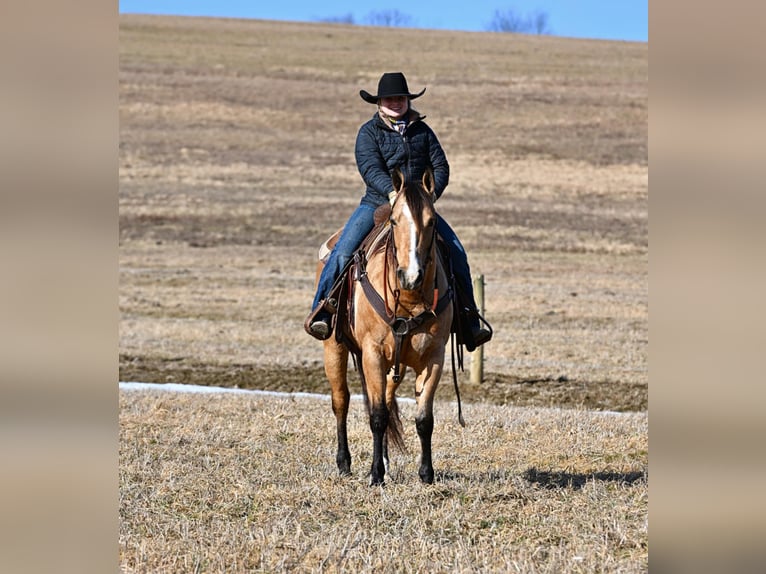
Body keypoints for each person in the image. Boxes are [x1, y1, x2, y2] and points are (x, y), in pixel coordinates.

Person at [305, 72, 492, 350]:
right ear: (379, 103)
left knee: (457, 252)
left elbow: (441, 167)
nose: (396, 103)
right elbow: (370, 168)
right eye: (390, 99)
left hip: (418, 209)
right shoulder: (368, 133)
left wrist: (428, 198)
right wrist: (393, 194)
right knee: (343, 250)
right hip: (377, 203)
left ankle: (468, 321)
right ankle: (323, 310)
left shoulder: (423, 132)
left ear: (408, 101)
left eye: (400, 98)